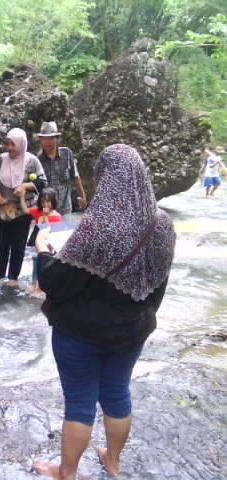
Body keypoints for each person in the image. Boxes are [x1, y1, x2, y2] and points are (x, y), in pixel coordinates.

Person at [33, 144, 176, 480]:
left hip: (81, 332)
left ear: (106, 179)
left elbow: (56, 282)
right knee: (117, 392)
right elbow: (159, 283)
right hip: (134, 328)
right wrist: (141, 320)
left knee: (81, 403)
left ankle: (66, 472)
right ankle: (112, 460)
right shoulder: (163, 224)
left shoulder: (99, 226)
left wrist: (42, 251)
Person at [0, 128, 47, 288]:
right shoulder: (1, 160)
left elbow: (42, 182)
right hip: (2, 210)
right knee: (2, 242)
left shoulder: (32, 161)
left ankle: (14, 276)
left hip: (22, 211)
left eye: (13, 144)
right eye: (7, 144)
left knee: (18, 244)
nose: (9, 148)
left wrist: (26, 186)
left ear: (21, 144)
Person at [37, 121, 87, 215]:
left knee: (66, 229)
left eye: (51, 138)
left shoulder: (67, 153)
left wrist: (83, 196)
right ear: (41, 140)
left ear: (57, 139)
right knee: (47, 228)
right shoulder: (37, 160)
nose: (48, 142)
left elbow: (75, 176)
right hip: (47, 210)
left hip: (66, 208)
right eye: (45, 139)